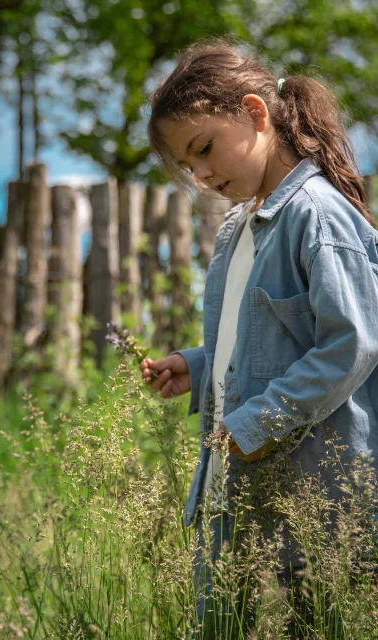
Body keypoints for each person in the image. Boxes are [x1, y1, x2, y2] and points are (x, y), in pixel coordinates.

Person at [139, 39, 378, 637]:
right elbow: (267, 339)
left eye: (204, 149)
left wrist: (258, 422)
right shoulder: (239, 227)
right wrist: (199, 365)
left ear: (254, 112)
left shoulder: (317, 215)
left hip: (316, 498)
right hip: (238, 490)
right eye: (188, 167)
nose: (201, 175)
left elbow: (352, 346)